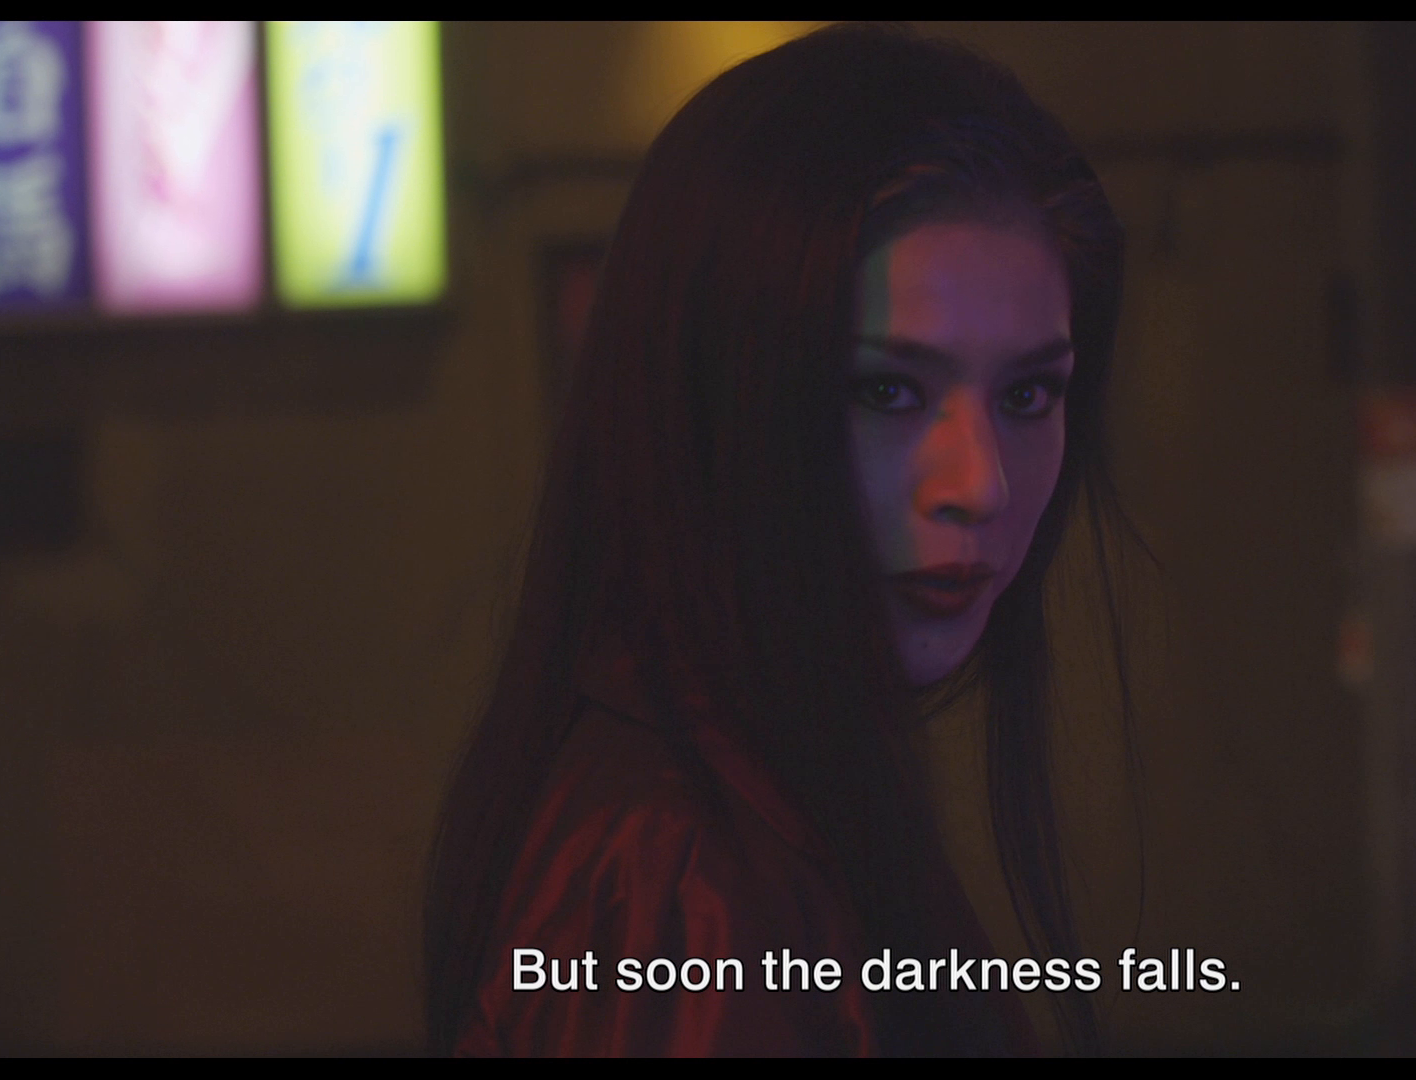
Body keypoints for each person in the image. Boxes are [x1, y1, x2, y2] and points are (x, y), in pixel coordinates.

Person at [426, 23, 1140, 1056]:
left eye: (1028, 394)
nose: (980, 484)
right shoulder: (681, 877)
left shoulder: (764, 795)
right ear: (711, 396)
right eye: (887, 391)